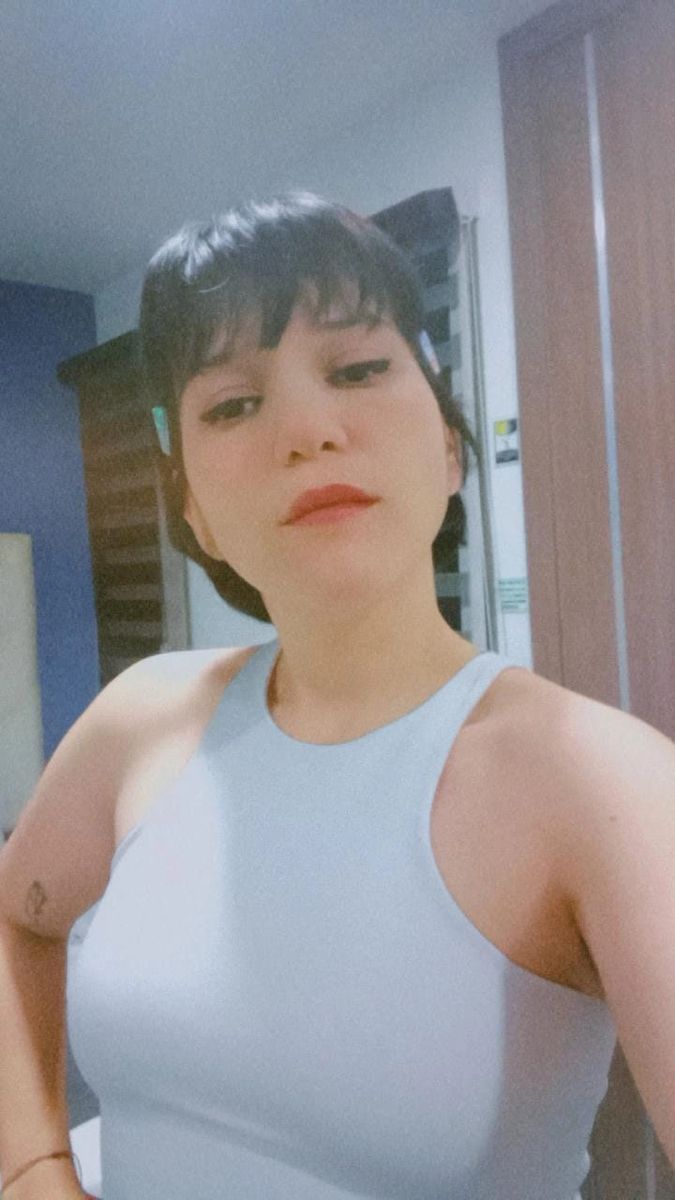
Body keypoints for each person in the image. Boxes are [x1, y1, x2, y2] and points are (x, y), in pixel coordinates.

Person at [0, 191, 673, 1199]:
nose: (308, 430)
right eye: (233, 404)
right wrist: (32, 1166)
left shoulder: (603, 782)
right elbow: (18, 920)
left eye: (357, 369)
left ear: (448, 449)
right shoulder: (141, 716)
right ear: (195, 511)